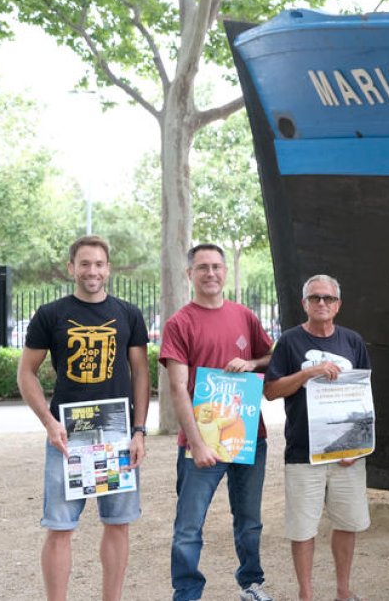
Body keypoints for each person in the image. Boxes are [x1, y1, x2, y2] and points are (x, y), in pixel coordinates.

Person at [15, 235, 150, 601]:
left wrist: (139, 431)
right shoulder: (50, 314)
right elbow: (26, 373)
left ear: (108, 269)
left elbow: (141, 373)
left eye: (99, 264)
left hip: (117, 432)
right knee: (60, 528)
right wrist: (48, 421)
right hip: (67, 434)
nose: (92, 271)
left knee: (118, 524)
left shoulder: (128, 314)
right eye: (85, 263)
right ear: (71, 268)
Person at [160, 243, 274, 601]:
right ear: (189, 273)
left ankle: (251, 585)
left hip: (248, 438)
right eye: (202, 267)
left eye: (216, 267)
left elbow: (272, 357)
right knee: (189, 527)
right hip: (201, 443)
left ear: (225, 272)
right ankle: (187, 593)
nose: (210, 273)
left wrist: (252, 363)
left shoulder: (245, 316)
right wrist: (196, 443)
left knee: (249, 523)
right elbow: (178, 388)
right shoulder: (179, 323)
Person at [265, 274, 372, 601]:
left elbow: (364, 395)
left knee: (348, 523)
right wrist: (308, 373)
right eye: (315, 298)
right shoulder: (289, 342)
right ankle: (306, 595)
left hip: (345, 456)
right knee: (303, 529)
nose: (321, 303)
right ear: (304, 304)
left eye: (327, 298)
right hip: (303, 453)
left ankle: (343, 591)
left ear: (338, 304)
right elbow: (270, 391)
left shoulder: (353, 342)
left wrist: (357, 445)